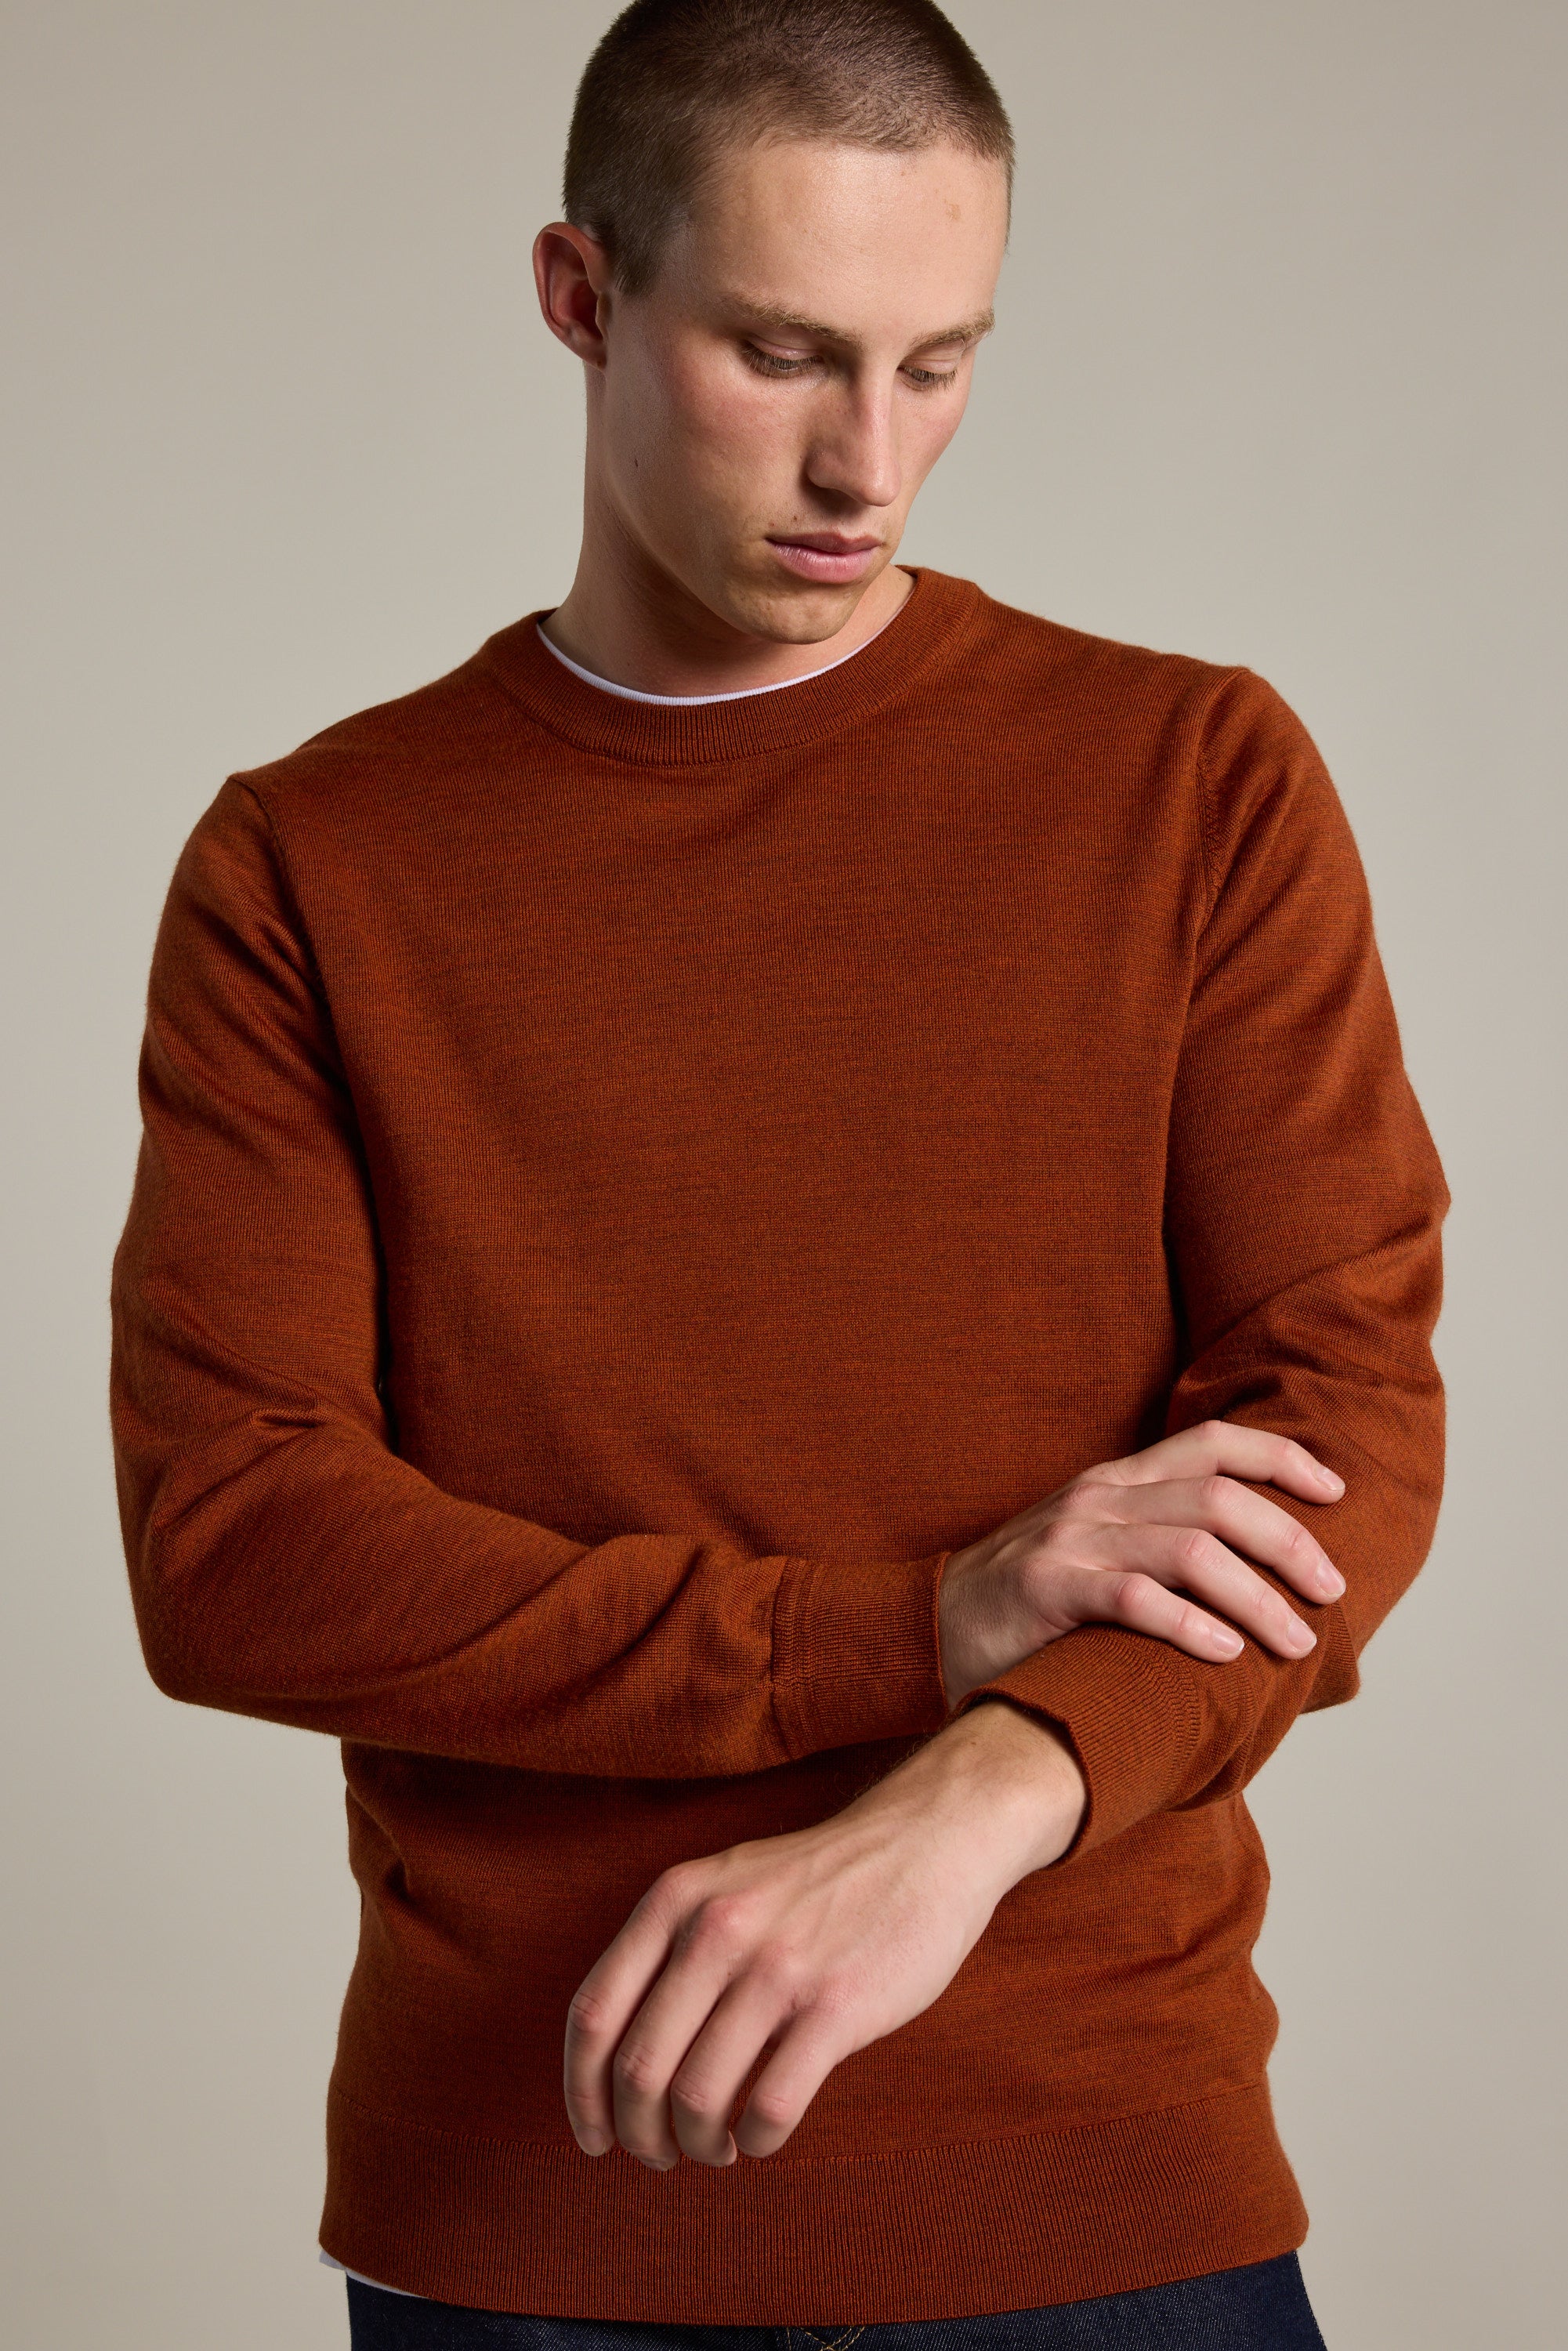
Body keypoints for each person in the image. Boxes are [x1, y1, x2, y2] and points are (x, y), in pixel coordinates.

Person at [109, 2, 1448, 2346]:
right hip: (528, 2206)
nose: (868, 460)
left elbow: (1334, 1442)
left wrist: (965, 1802)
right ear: (579, 293)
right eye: (783, 351)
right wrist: (907, 1625)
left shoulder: (1188, 779)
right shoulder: (312, 861)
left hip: (1093, 2184)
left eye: (940, 365)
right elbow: (238, 1546)